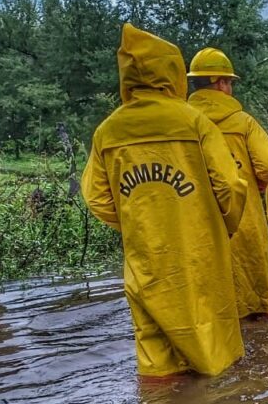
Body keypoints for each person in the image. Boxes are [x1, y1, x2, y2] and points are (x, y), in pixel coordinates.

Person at [81, 23, 247, 377]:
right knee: (212, 359)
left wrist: (134, 222)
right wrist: (223, 226)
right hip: (199, 252)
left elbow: (96, 197)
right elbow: (231, 185)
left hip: (144, 262)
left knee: (155, 366)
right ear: (172, 72)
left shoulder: (107, 130)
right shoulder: (193, 122)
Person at [187, 47, 268, 318]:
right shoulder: (244, 122)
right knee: (258, 306)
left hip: (198, 220)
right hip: (243, 218)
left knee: (212, 306)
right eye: (229, 82)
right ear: (221, 83)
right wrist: (260, 181)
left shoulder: (182, 122)